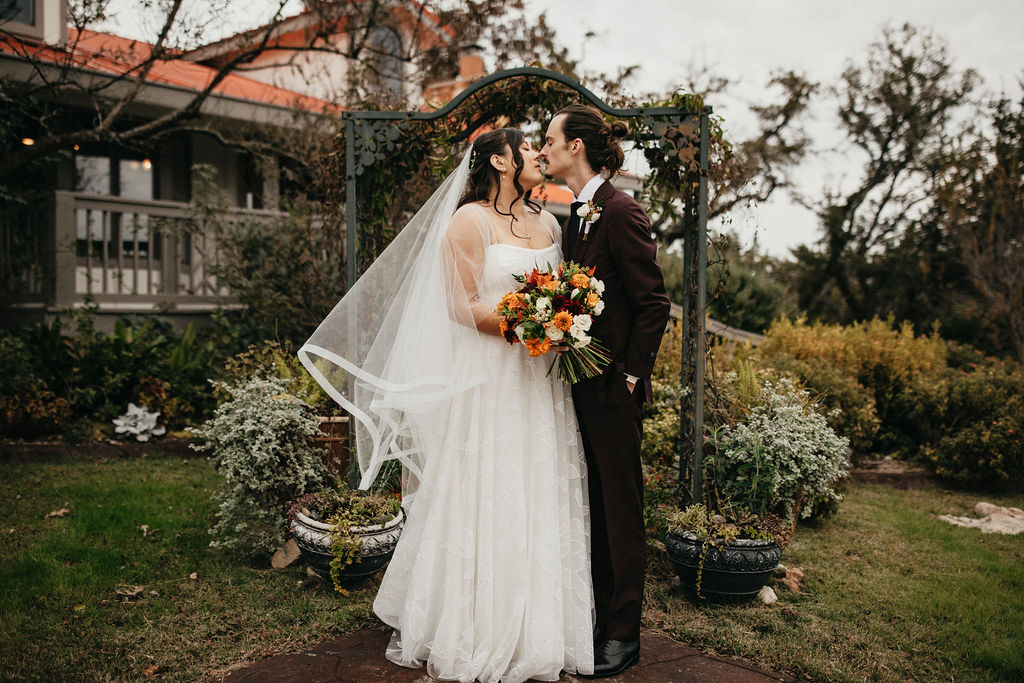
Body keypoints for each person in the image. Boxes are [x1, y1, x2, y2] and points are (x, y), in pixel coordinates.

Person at [298, 128, 594, 683]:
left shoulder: (549, 223)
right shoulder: (469, 222)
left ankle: (538, 628)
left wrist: (561, 321)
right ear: (503, 161)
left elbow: (562, 289)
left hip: (541, 381)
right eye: (529, 149)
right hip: (490, 378)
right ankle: (472, 624)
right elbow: (461, 306)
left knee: (536, 485)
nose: (539, 156)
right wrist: (530, 324)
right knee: (486, 485)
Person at [540, 104, 671, 678]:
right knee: (591, 507)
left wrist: (628, 376)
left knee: (620, 510)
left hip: (614, 392)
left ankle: (624, 634)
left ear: (576, 148)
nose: (542, 148)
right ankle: (596, 620)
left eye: (549, 139)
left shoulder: (620, 211)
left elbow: (653, 304)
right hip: (580, 387)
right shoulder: (577, 214)